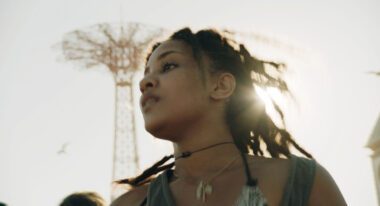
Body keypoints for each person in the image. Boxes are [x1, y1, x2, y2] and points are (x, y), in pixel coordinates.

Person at [111, 27, 347, 206]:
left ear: (221, 85)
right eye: (145, 75)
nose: (144, 83)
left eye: (169, 66)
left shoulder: (303, 182)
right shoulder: (130, 204)